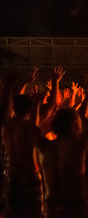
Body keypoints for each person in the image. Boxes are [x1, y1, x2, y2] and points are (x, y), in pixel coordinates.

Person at [37, 67, 88, 218]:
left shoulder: (44, 146)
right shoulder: (78, 145)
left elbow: (32, 124)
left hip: (51, 209)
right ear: (74, 126)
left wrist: (54, 85)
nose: (82, 124)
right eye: (78, 122)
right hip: (76, 208)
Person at [0, 67, 46, 218]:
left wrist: (10, 86)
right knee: (34, 213)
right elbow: (51, 106)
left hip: (13, 174)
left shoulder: (9, 124)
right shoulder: (30, 126)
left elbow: (8, 108)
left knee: (12, 212)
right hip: (31, 174)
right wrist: (38, 102)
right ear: (31, 109)